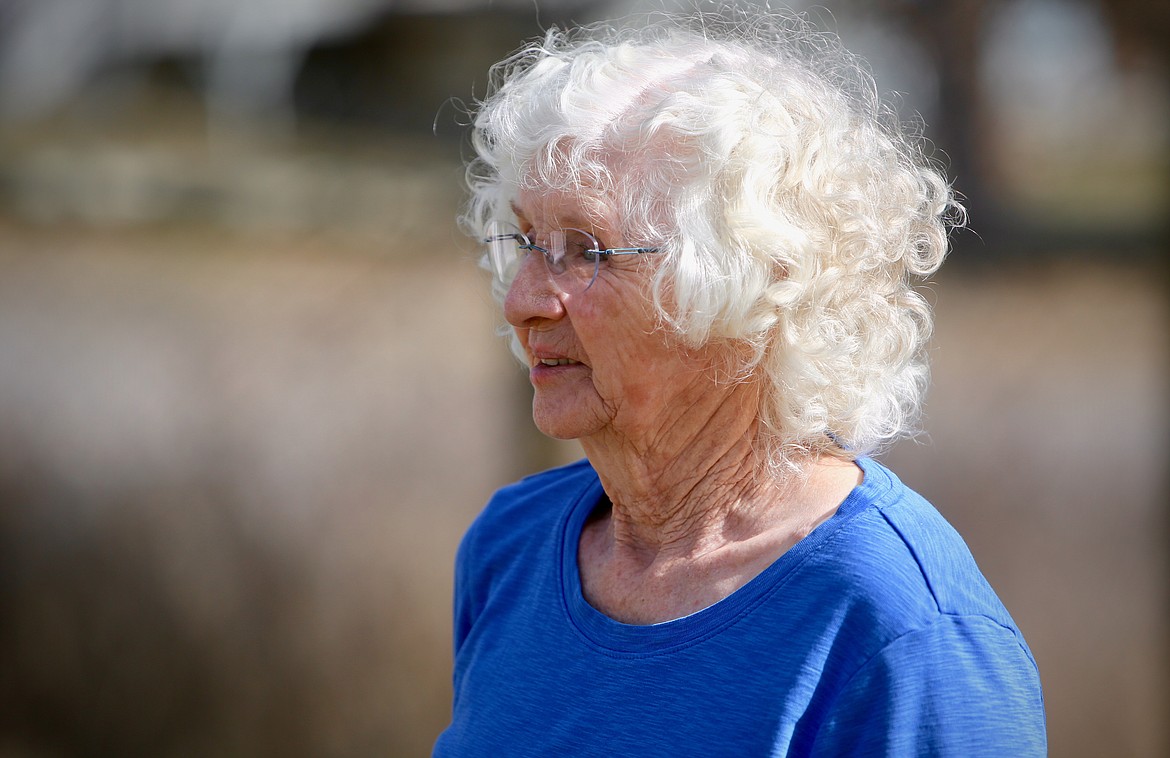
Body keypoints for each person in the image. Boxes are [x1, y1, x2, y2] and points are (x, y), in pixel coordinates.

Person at [434, 11, 1046, 756]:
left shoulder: (903, 629)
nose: (522, 299)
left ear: (751, 288)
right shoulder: (511, 547)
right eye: (528, 240)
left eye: (585, 250)